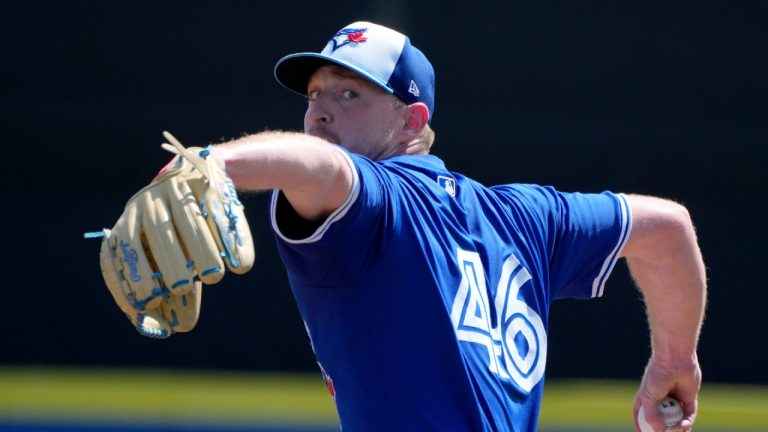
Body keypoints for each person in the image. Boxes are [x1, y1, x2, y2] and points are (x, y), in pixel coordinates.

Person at [205, 21, 706, 431]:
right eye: (315, 93)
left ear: (411, 121)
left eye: (350, 94)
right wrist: (674, 363)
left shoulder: (376, 204)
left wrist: (207, 165)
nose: (319, 111)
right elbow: (668, 228)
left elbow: (316, 163)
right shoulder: (528, 218)